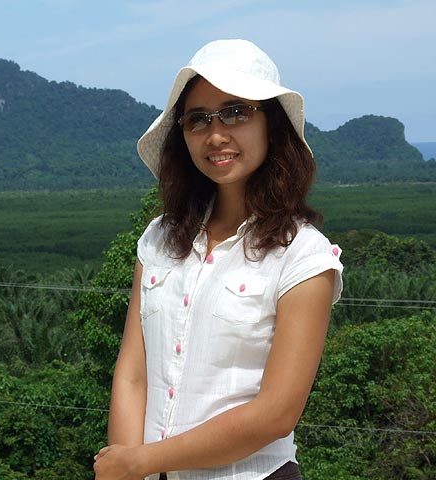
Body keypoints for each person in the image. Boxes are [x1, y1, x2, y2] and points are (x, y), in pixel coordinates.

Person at [93, 39, 343, 480]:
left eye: (236, 112)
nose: (215, 134)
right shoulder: (159, 239)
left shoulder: (305, 255)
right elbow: (133, 375)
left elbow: (275, 414)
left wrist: (140, 462)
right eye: (198, 119)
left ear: (272, 125)